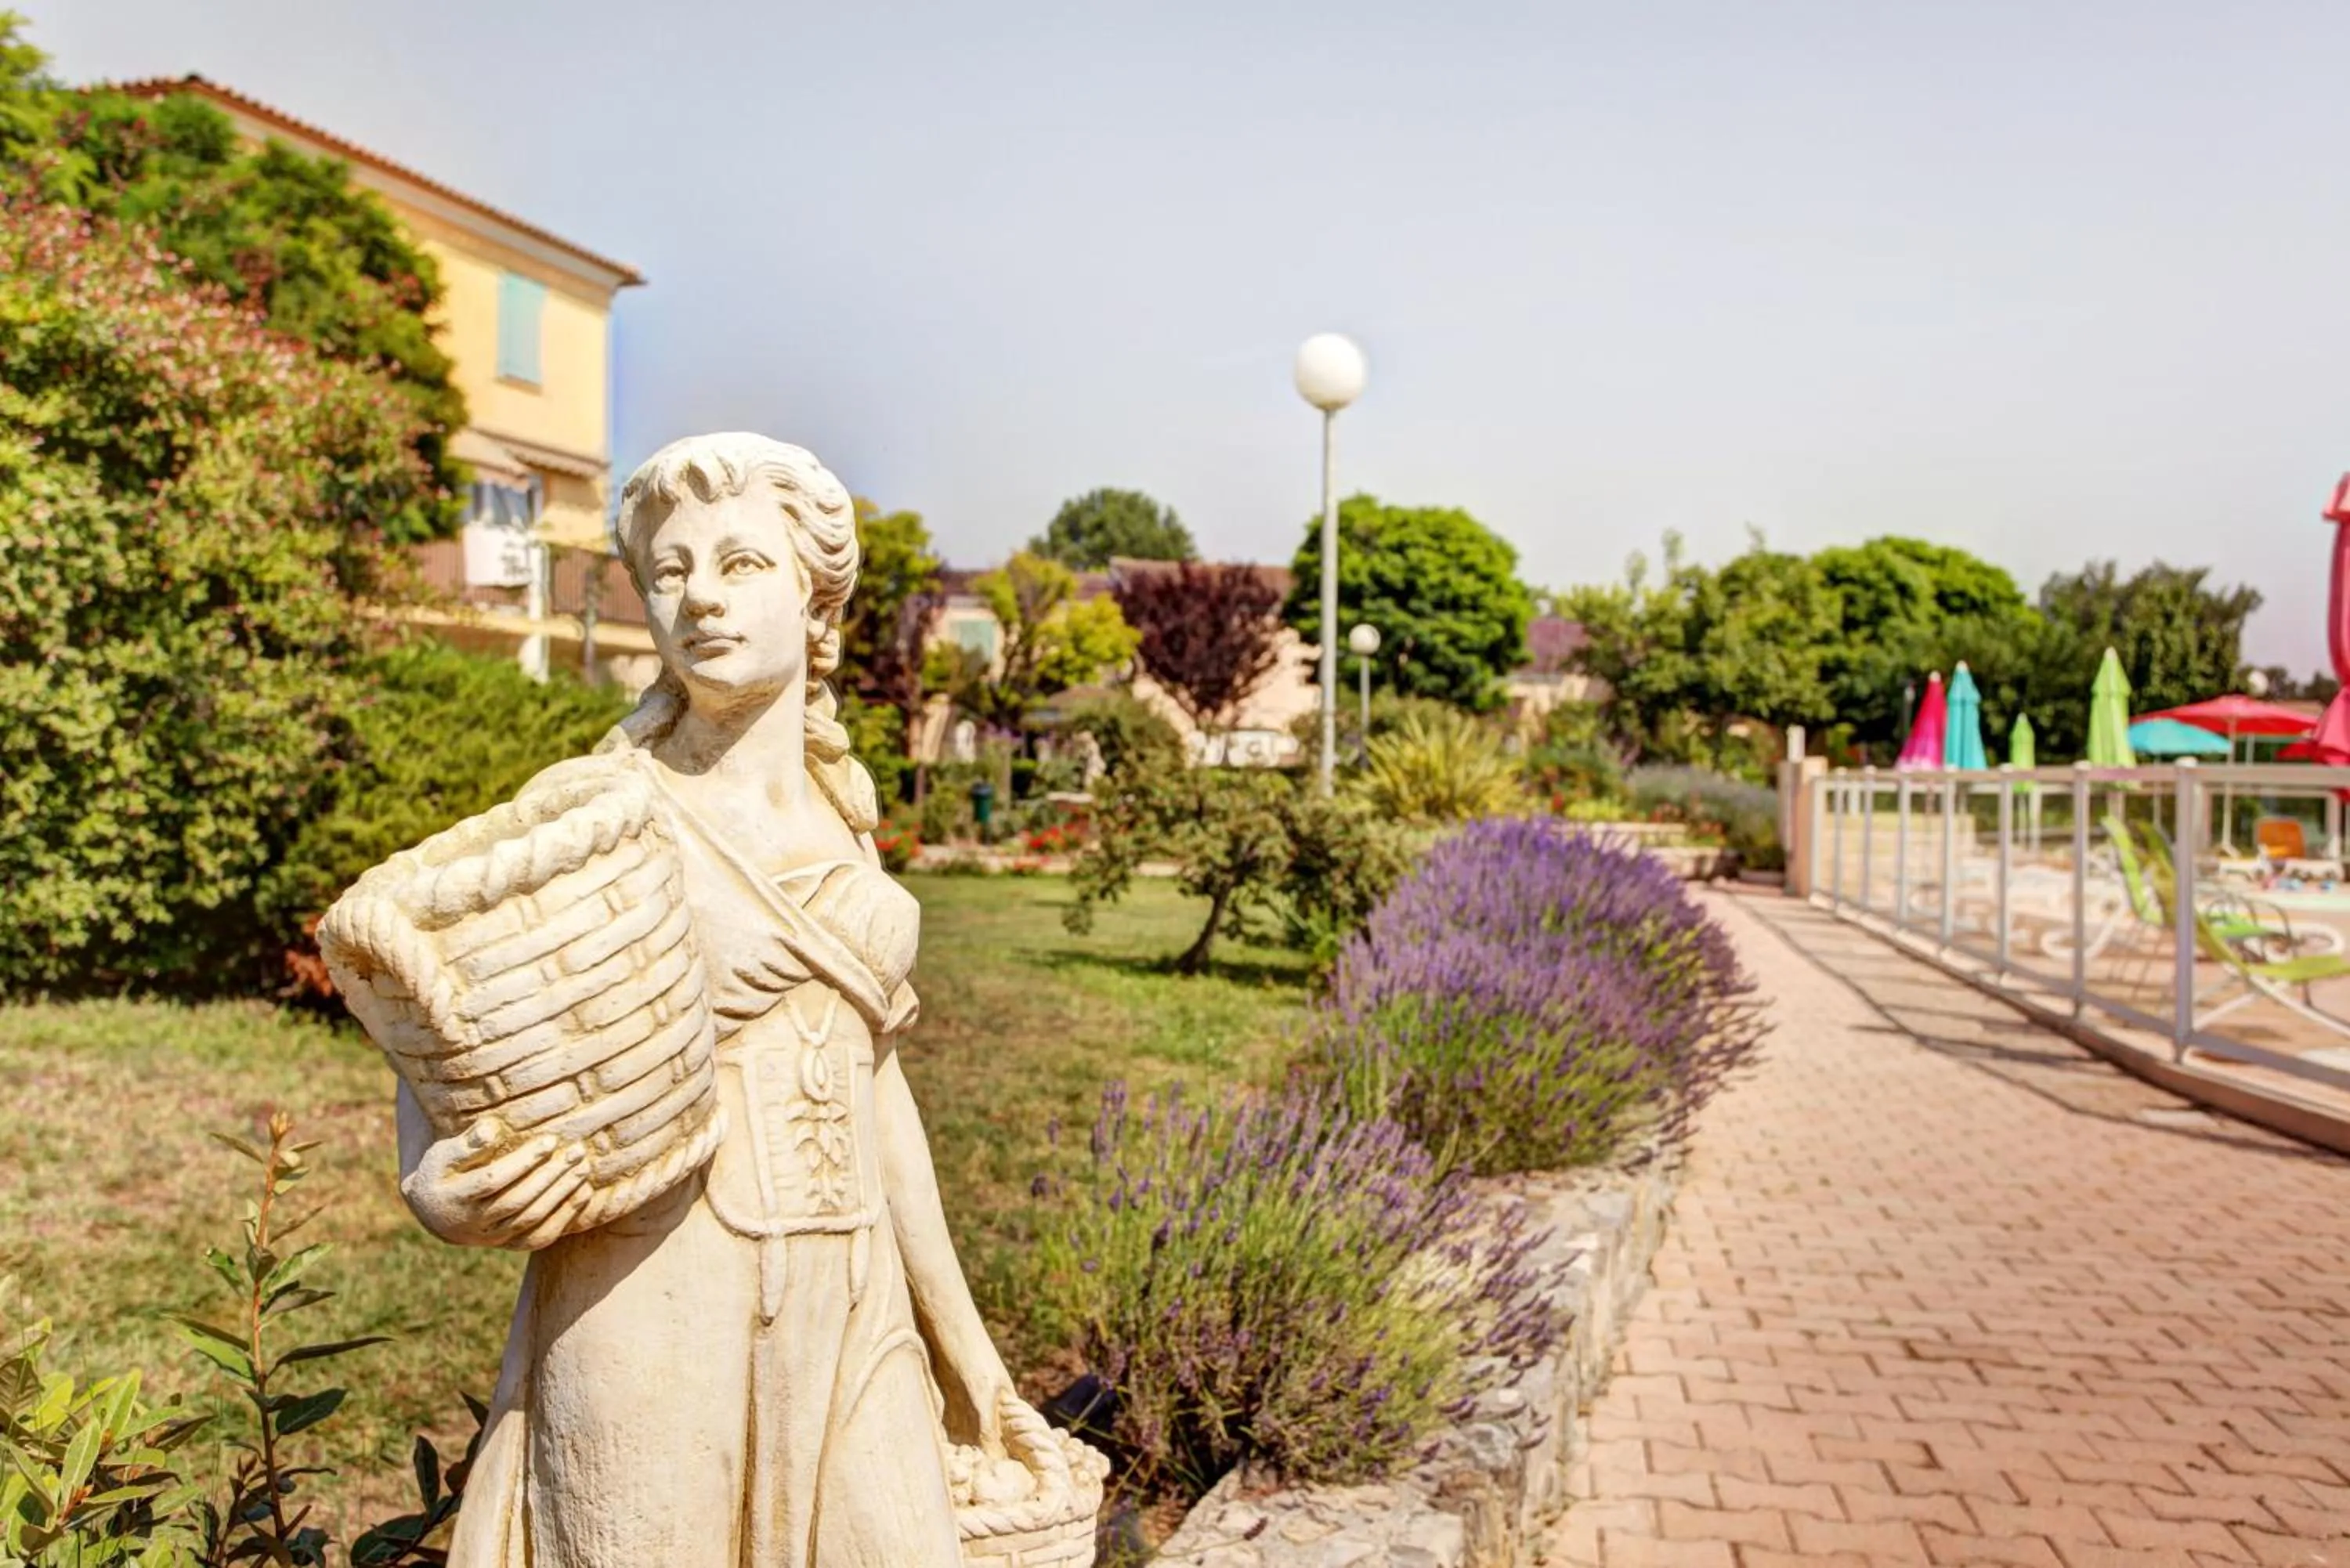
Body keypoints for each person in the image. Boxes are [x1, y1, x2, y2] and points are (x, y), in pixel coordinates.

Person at [395, 432, 1035, 1566]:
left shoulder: (843, 818)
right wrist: (436, 1179)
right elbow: (448, 1009)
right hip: (648, 1294)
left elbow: (877, 1094)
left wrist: (971, 1360)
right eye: (671, 571)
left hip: (853, 1293)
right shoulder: (599, 816)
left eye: (742, 564)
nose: (701, 598)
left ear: (816, 600)